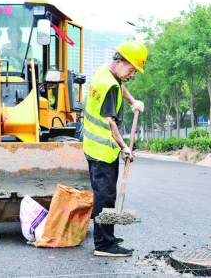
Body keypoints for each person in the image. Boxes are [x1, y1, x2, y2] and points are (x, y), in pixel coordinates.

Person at [83, 39, 147, 257]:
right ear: (121, 61)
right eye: (132, 69)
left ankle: (107, 236)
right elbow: (111, 122)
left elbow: (121, 85)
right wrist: (124, 147)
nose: (132, 74)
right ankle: (104, 245)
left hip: (95, 147)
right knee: (105, 195)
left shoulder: (105, 72)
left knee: (106, 194)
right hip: (103, 149)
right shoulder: (109, 86)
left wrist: (132, 102)